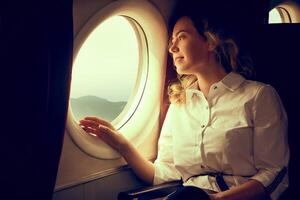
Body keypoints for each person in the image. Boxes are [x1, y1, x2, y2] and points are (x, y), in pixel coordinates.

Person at [79, 7, 289, 200]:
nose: (172, 47)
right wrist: (120, 143)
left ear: (210, 41)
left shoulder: (258, 96)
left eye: (181, 37)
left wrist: (218, 199)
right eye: (171, 39)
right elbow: (163, 174)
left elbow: (275, 172)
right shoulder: (179, 105)